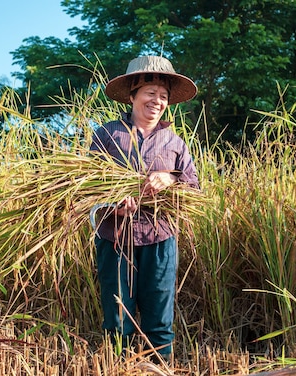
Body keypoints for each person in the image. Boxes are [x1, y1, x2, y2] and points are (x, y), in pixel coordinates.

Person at [89, 56, 200, 362]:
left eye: (163, 96)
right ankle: (117, 368)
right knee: (118, 321)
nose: (157, 101)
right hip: (115, 239)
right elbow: (84, 188)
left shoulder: (175, 142)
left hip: (161, 238)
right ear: (132, 95)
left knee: (160, 323)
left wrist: (171, 177)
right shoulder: (107, 135)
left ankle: (160, 368)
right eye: (150, 92)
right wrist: (113, 206)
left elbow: (194, 188)